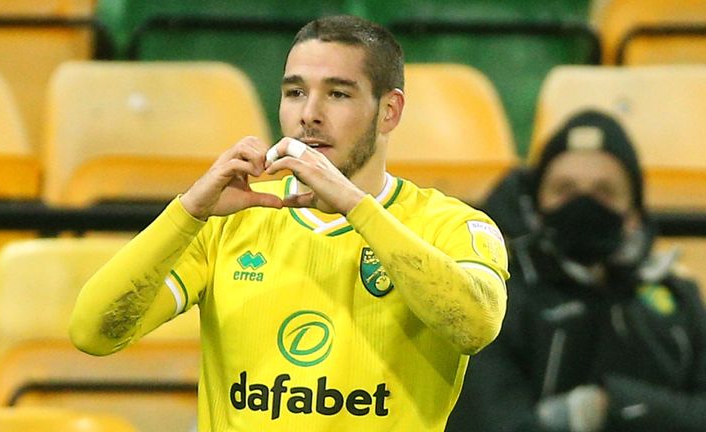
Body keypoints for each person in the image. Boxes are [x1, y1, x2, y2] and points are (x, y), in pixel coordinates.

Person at [69, 15, 508, 431]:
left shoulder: (448, 224)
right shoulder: (230, 221)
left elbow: (475, 324)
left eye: (338, 94)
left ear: (389, 111)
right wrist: (189, 211)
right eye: (296, 92)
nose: (309, 114)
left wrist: (358, 209)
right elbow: (93, 333)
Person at [446, 109, 706, 432]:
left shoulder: (678, 299)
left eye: (604, 191)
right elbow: (491, 422)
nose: (583, 203)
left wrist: (612, 405)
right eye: (564, 190)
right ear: (537, 207)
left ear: (634, 213)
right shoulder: (495, 298)